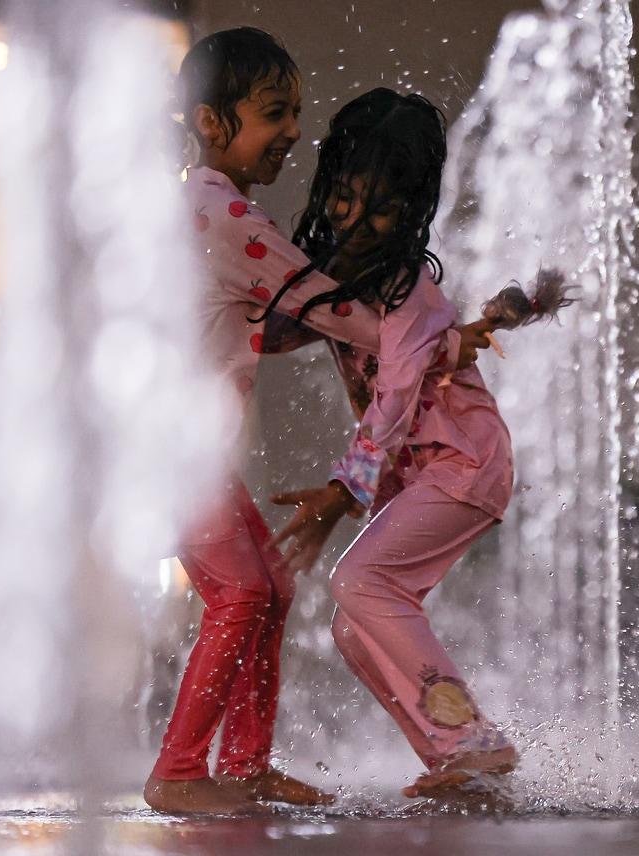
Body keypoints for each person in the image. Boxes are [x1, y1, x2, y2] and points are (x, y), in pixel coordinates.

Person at [147, 29, 485, 815]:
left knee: (266, 585)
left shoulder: (205, 207)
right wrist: (430, 331)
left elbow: (288, 316)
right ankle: (178, 771)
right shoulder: (222, 213)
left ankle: (243, 766)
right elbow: (326, 307)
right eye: (274, 113)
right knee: (241, 594)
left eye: (295, 111)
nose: (293, 130)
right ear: (211, 122)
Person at [266, 88, 523, 800]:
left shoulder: (405, 289)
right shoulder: (339, 276)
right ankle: (452, 758)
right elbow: (282, 329)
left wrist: (342, 491)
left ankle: (475, 743)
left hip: (465, 465)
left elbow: (398, 394)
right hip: (427, 474)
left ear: (411, 212)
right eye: (347, 197)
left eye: (384, 208)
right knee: (355, 625)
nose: (360, 220)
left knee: (359, 584)